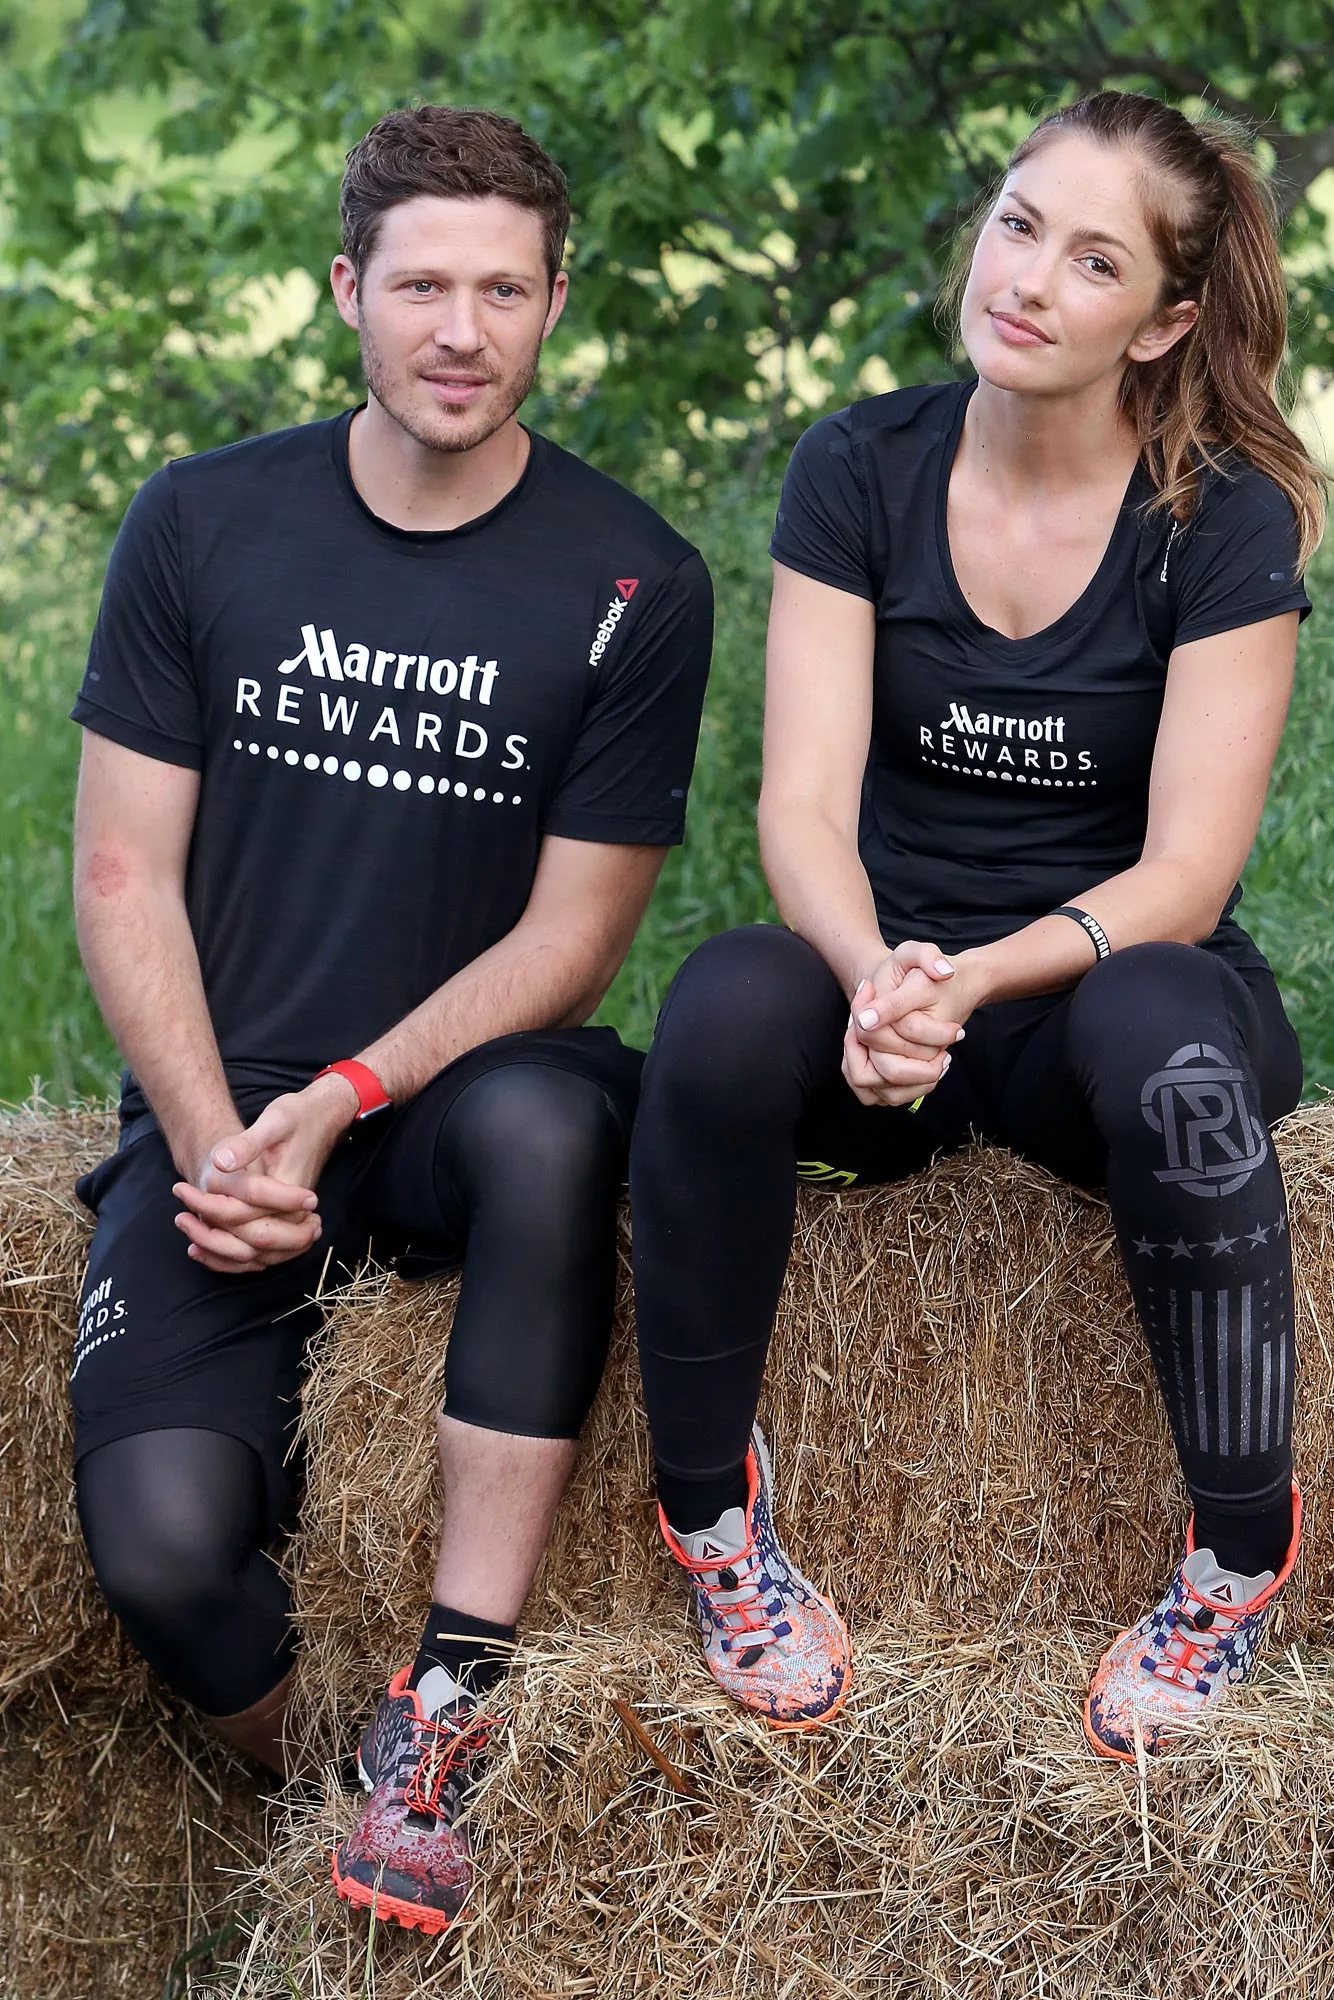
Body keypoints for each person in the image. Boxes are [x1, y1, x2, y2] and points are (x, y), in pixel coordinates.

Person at [69, 103, 712, 1933]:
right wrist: (217, 1144)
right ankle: (341, 1809)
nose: (460, 330)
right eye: (422, 285)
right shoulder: (202, 519)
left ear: (554, 304)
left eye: (503, 290)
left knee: (557, 1116)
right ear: (346, 289)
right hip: (225, 1115)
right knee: (165, 1559)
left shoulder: (634, 579)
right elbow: (121, 875)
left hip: (438, 1101)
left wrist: (354, 1091)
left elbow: (576, 935)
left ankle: (452, 1692)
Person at [628, 91, 1323, 1758]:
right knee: (719, 1009)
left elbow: (1185, 878)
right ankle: (711, 1519)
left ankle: (1237, 1553)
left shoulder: (1218, 517)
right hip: (896, 1019)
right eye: (1016, 224)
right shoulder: (856, 467)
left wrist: (973, 978)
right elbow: (800, 808)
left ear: (1159, 322)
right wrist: (874, 978)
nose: (1022, 278)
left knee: (1167, 1044)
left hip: (1099, 1005)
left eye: (1090, 260)